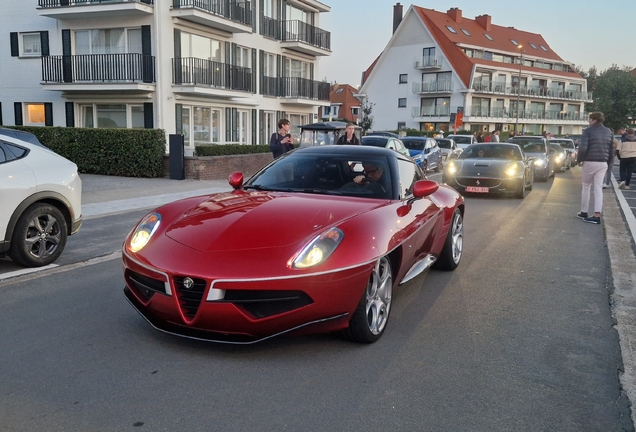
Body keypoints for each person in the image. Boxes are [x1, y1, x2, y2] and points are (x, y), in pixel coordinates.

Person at [576, 112, 614, 224]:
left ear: (594, 120)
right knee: (598, 188)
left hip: (590, 161)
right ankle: (597, 215)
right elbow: (611, 149)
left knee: (586, 186)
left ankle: (584, 211)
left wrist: (579, 160)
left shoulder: (588, 131)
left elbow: (583, 148)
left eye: (589, 119)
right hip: (603, 162)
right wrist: (609, 162)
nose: (588, 121)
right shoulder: (609, 132)